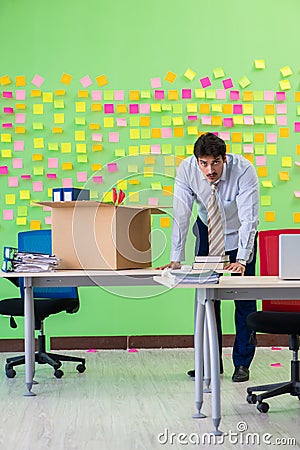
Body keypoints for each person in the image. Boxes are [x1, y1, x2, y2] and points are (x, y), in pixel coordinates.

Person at [159, 132, 259, 382]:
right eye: (203, 163)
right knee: (207, 300)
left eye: (215, 162)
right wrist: (176, 256)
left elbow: (249, 217)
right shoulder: (187, 170)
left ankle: (242, 363)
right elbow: (181, 214)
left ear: (224, 159)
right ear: (197, 161)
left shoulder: (244, 170)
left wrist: (243, 258)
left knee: (244, 302)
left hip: (239, 234)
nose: (209, 169)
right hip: (207, 231)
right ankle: (212, 363)